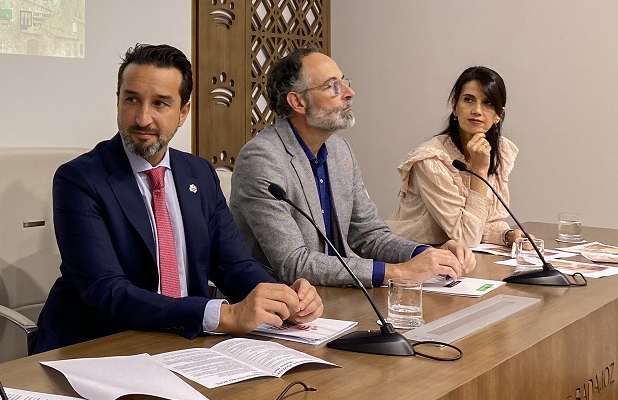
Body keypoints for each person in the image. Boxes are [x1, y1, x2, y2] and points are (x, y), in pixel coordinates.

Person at [35, 44, 323, 353]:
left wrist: (282, 298)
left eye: (160, 104)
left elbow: (234, 265)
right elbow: (107, 293)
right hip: (100, 346)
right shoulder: (80, 179)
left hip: (185, 344)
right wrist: (223, 315)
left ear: (183, 112)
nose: (142, 118)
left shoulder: (198, 173)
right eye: (132, 99)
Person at [229, 48, 475, 288]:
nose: (349, 92)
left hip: (333, 297)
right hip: (274, 308)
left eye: (344, 81)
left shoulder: (339, 150)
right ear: (298, 102)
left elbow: (369, 234)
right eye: (332, 86)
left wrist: (429, 254)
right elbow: (294, 263)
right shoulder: (262, 158)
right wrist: (398, 272)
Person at [387, 67, 518, 248]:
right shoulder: (431, 159)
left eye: (488, 103)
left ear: (499, 115)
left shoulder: (499, 151)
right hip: (411, 253)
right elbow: (466, 238)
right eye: (468, 100)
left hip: (452, 255)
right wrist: (479, 170)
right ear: (455, 107)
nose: (477, 110)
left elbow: (482, 221)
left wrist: (507, 235)